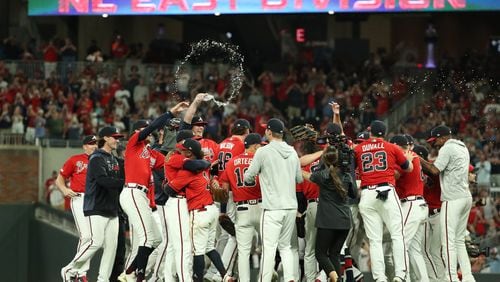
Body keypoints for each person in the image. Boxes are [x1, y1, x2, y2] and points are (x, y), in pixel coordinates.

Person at [119, 101, 189, 282]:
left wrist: (192, 159)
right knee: (147, 238)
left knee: (156, 239)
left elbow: (170, 163)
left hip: (141, 196)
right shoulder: (133, 144)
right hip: (132, 192)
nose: (148, 132)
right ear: (136, 132)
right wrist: (171, 113)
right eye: (143, 130)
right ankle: (137, 276)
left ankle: (129, 272)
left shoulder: (150, 152)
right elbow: (153, 127)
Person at [61, 126, 125, 282]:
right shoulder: (96, 158)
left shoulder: (114, 159)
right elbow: (103, 180)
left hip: (111, 208)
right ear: (106, 139)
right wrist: (126, 182)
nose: (117, 140)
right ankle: (70, 269)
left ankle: (103, 279)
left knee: (111, 248)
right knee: (94, 242)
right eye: (114, 137)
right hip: (95, 206)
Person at [244, 118, 303, 282]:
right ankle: (290, 278)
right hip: (290, 207)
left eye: (266, 129)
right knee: (286, 247)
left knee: (269, 248)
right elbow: (299, 179)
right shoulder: (292, 151)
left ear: (269, 132)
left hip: (272, 208)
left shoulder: (263, 151)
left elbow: (248, 177)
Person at [354, 120, 414, 282]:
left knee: (374, 240)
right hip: (386, 191)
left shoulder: (358, 148)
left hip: (367, 194)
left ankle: (380, 277)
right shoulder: (392, 147)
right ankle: (401, 274)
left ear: (370, 132)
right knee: (397, 235)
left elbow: (353, 169)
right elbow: (408, 167)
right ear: (384, 133)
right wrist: (406, 159)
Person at [165, 138, 233, 282]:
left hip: (200, 212)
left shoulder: (187, 172)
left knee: (198, 251)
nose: (179, 152)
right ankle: (225, 276)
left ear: (189, 153)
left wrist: (166, 182)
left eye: (182, 150)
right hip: (212, 209)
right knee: (209, 247)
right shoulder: (205, 168)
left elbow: (169, 190)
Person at [419, 125, 475, 282]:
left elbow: (434, 170)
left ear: (443, 138)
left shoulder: (447, 148)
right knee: (458, 240)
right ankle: (468, 277)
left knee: (448, 241)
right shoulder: (462, 146)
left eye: (435, 140)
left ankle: (451, 277)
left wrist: (417, 158)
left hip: (453, 199)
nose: (434, 144)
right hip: (465, 196)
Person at [302, 145, 357, 282]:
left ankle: (335, 277)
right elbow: (354, 194)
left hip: (328, 221)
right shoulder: (347, 176)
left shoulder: (323, 176)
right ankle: (337, 278)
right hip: (345, 221)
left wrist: (295, 167)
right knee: (335, 254)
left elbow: (307, 175)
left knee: (320, 254)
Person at [220, 133, 264, 282]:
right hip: (260, 206)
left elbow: (225, 191)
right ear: (255, 146)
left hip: (241, 209)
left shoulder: (232, 162)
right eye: (260, 145)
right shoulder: (259, 160)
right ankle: (263, 278)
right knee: (268, 246)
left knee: (243, 251)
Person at [58, 135, 98, 281]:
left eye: (95, 144)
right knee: (86, 236)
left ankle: (79, 272)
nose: (94, 146)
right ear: (84, 146)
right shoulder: (75, 159)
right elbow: (60, 178)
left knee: (93, 239)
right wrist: (64, 190)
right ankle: (78, 272)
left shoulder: (99, 160)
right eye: (91, 143)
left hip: (95, 201)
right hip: (79, 199)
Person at [389, 135, 428, 282]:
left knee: (401, 241)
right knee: (414, 250)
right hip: (419, 204)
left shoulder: (406, 157)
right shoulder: (412, 156)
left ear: (397, 146)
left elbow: (395, 174)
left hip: (411, 203)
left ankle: (403, 277)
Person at [413, 145, 446, 282]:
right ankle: (434, 279)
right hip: (426, 213)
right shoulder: (414, 170)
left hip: (438, 213)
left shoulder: (434, 167)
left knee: (435, 251)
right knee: (426, 251)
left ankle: (442, 279)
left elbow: (469, 169)